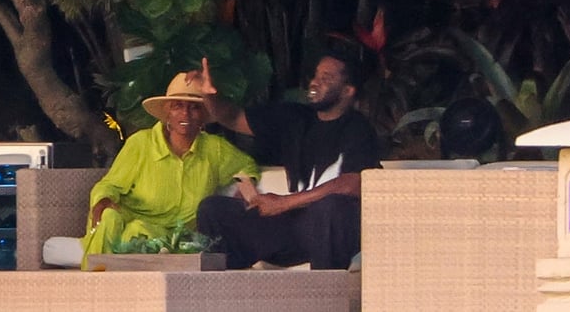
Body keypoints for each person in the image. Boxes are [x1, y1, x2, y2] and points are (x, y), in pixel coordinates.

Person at [191, 52, 380, 270]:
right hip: (292, 226)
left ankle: (327, 296)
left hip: (333, 232)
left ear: (348, 91)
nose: (315, 82)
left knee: (331, 208)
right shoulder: (295, 118)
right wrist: (208, 95)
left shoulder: (358, 128)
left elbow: (354, 182)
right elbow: (232, 118)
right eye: (316, 75)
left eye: (326, 78)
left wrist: (284, 203)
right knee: (213, 209)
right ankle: (221, 294)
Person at [75, 72, 260, 269]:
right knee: (115, 221)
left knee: (163, 244)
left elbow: (247, 167)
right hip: (134, 222)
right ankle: (94, 283)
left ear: (203, 116)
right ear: (167, 113)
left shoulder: (214, 149)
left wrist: (244, 188)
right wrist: (103, 201)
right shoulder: (141, 143)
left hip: (177, 238)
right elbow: (109, 184)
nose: (185, 115)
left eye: (194, 108)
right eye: (177, 106)